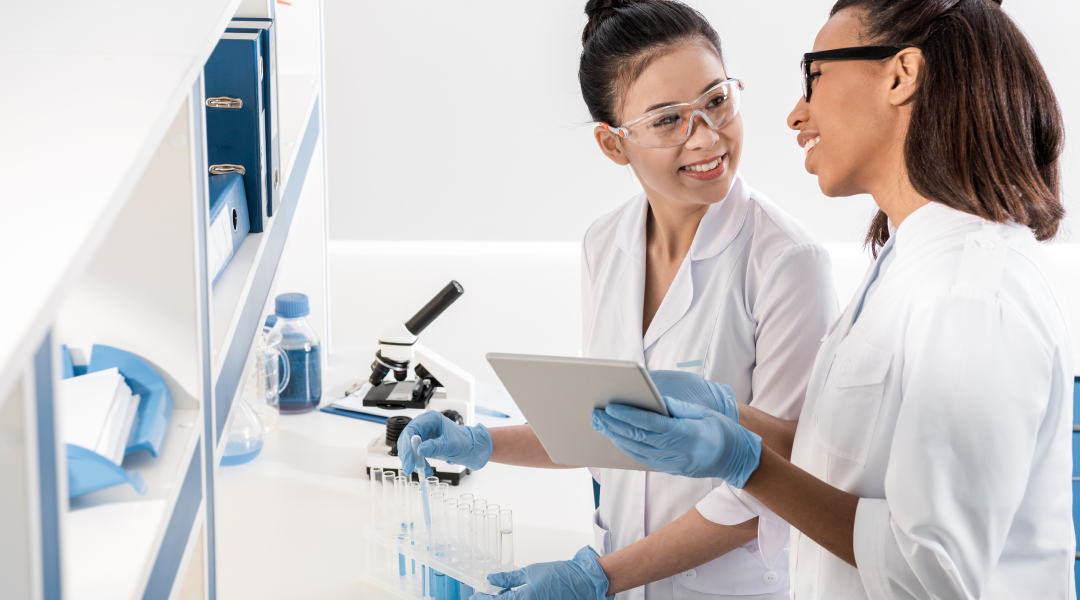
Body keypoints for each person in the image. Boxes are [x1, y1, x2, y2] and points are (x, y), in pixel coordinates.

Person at [593, 1, 1074, 599]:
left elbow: (930, 574)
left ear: (901, 76)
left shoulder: (973, 293)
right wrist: (732, 416)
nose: (797, 114)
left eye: (813, 76)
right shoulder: (902, 269)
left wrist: (747, 462)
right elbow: (849, 464)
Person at [397, 1, 839, 598]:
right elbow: (606, 425)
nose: (706, 135)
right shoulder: (606, 242)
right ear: (613, 144)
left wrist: (597, 578)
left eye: (716, 100)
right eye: (666, 120)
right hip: (625, 574)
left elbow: (785, 480)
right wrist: (479, 443)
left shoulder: (788, 262)